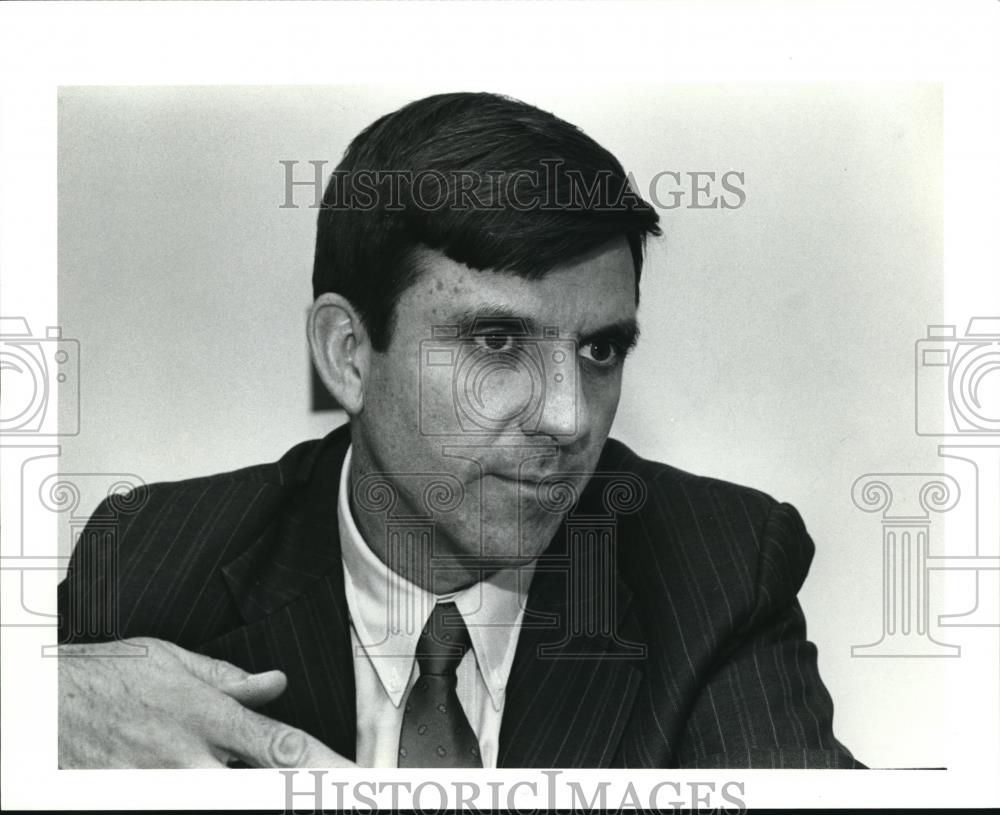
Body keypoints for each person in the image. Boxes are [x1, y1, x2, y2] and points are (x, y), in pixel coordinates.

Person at [57, 91, 862, 769]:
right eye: (496, 342)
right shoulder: (148, 555)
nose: (568, 416)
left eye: (601, 349)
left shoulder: (717, 568)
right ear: (348, 355)